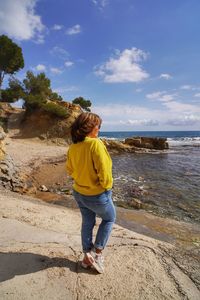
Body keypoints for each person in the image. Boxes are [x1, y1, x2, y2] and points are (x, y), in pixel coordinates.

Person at [66, 112, 116, 274]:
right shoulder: (95, 144)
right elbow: (105, 171)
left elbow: (70, 170)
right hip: (97, 194)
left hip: (79, 192)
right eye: (98, 126)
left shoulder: (73, 147)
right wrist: (106, 187)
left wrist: (82, 180)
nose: (99, 129)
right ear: (90, 127)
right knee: (109, 219)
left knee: (88, 222)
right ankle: (97, 253)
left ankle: (87, 257)